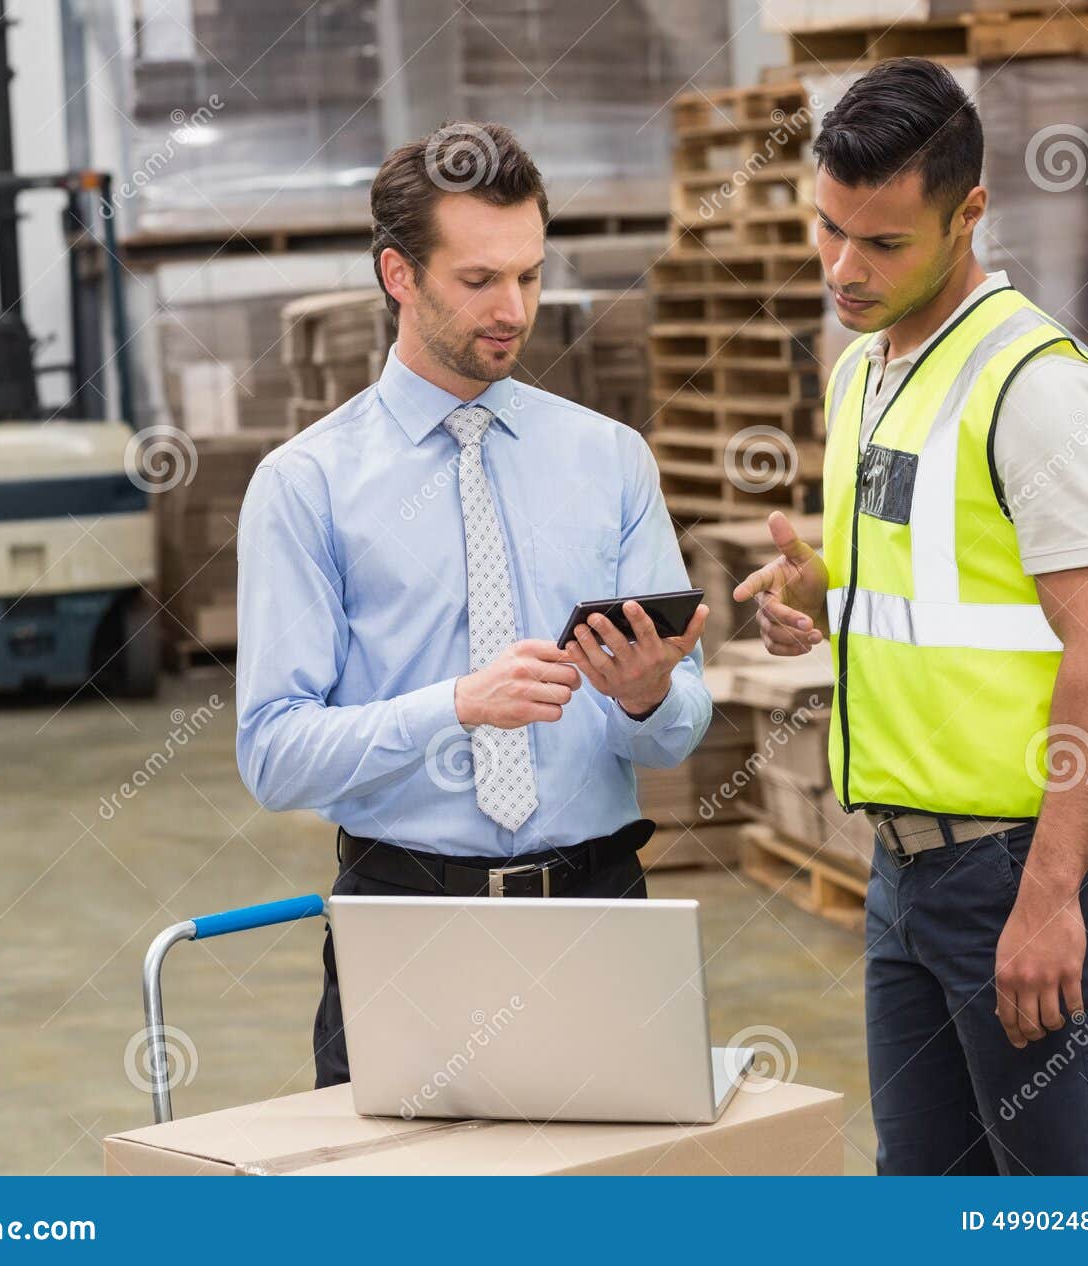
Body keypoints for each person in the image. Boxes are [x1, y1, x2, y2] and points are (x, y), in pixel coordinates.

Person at [734, 58, 1088, 1176]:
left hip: (1024, 863)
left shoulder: (1040, 387)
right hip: (904, 869)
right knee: (921, 1199)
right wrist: (818, 592)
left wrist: (1049, 897)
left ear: (969, 212)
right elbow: (944, 574)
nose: (843, 269)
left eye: (882, 244)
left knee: (1069, 1212)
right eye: (828, 230)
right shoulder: (866, 371)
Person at [234, 122, 711, 1088]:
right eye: (479, 280)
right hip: (406, 927)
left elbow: (675, 735)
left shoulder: (609, 458)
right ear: (398, 276)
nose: (514, 310)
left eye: (529, 277)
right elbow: (274, 755)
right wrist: (456, 705)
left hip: (601, 914)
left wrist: (647, 699)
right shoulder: (306, 485)